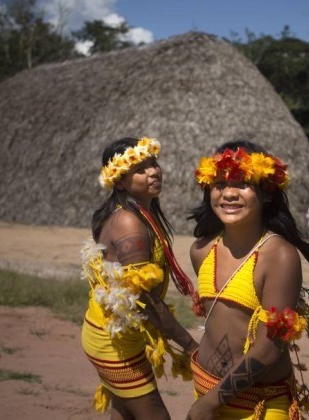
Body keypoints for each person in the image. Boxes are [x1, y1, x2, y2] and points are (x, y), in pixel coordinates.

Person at [185, 140, 309, 420]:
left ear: (267, 193)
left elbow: (270, 348)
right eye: (220, 184)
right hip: (204, 391)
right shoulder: (200, 251)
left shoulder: (279, 256)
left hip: (257, 407)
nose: (229, 193)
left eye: (243, 184)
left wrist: (212, 401)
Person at [80, 137, 198, 419]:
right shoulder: (129, 222)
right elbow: (143, 300)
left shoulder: (140, 213)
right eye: (141, 169)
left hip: (112, 334)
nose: (154, 172)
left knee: (125, 412)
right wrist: (191, 346)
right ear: (119, 182)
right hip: (113, 343)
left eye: (154, 164)